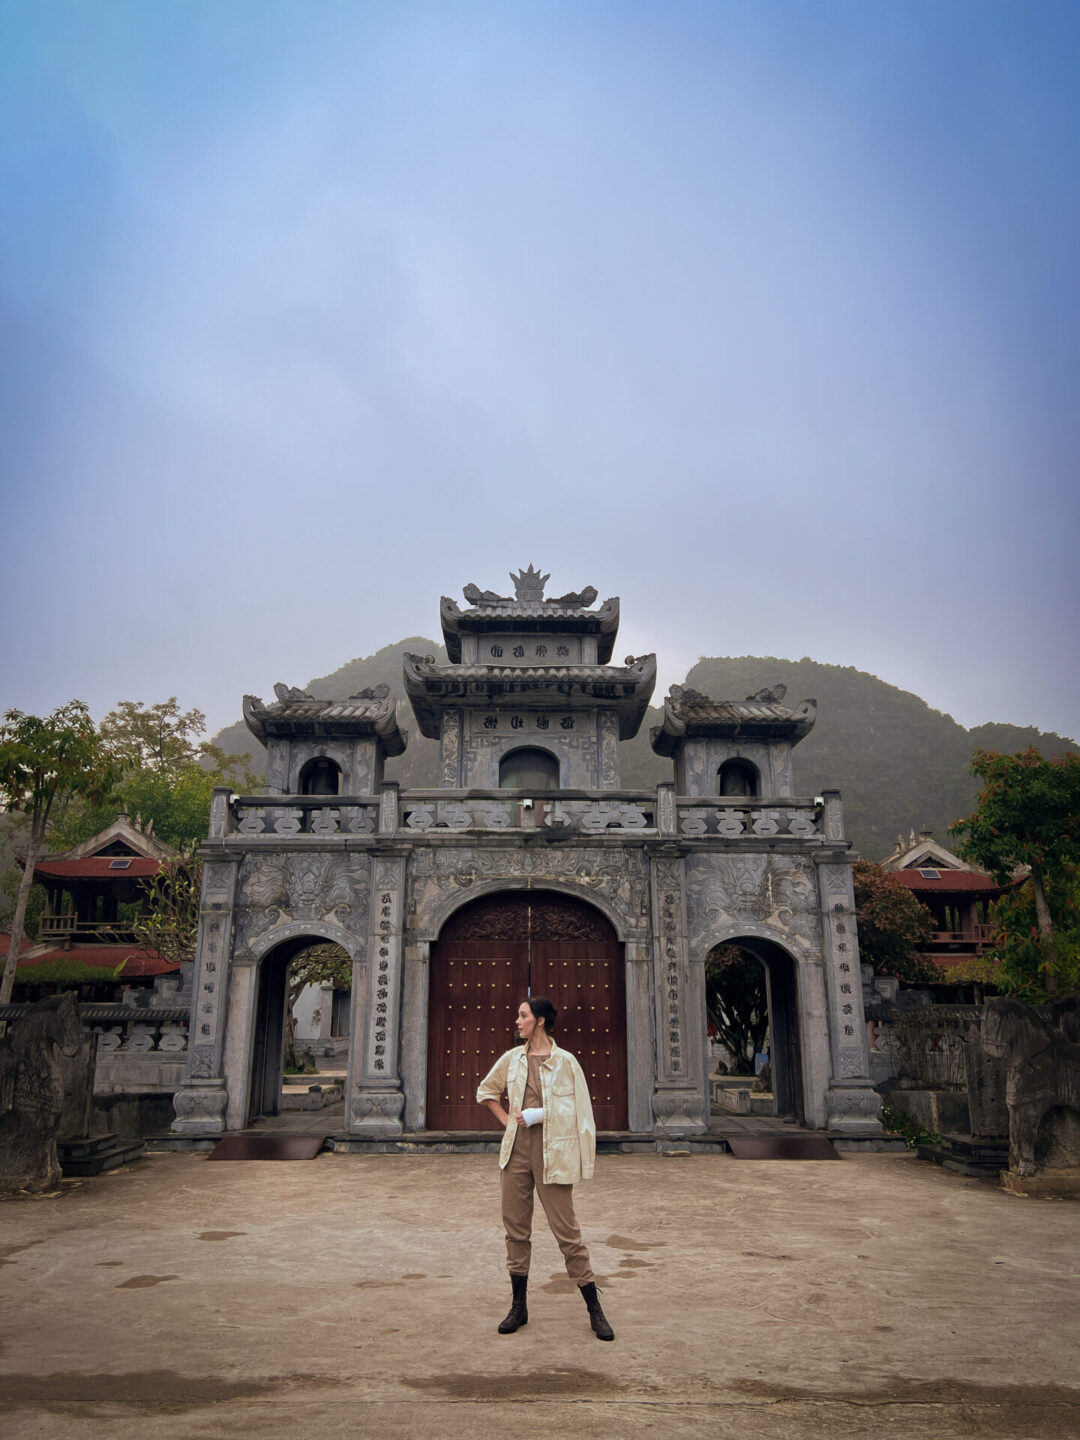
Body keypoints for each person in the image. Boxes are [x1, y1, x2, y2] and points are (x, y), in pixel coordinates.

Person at [476, 996, 614, 1341]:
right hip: (516, 1153)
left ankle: (595, 1311)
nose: (517, 1021)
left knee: (568, 1234)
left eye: (522, 1015)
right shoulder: (512, 1059)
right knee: (516, 1231)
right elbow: (486, 1092)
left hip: (552, 1153)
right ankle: (518, 1307)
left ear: (539, 1020)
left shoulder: (566, 1062)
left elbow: (581, 1112)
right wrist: (508, 1120)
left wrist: (542, 1115)